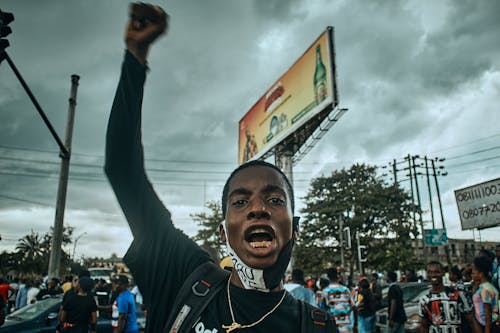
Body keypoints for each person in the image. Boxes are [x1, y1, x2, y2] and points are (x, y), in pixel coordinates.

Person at [104, 3, 337, 333]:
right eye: (240, 202)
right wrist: (135, 57)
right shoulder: (183, 279)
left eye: (275, 200)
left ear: (294, 229)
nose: (258, 209)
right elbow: (122, 170)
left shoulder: (315, 325)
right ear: (223, 231)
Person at [419, 261, 479, 333]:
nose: (433, 275)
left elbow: (472, 320)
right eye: (429, 272)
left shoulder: (458, 295)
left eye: (437, 272)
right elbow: (424, 326)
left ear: (443, 273)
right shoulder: (425, 300)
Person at [471, 256, 499, 333]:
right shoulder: (486, 287)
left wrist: (487, 331)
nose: (472, 275)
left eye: (473, 273)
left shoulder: (485, 289)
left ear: (481, 274)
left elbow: (488, 313)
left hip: (488, 326)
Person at [323, 268, 354, 333]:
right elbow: (352, 305)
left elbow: (322, 309)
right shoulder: (346, 289)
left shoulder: (325, 291)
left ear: (328, 277)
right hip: (347, 325)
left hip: (333, 326)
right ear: (337, 276)